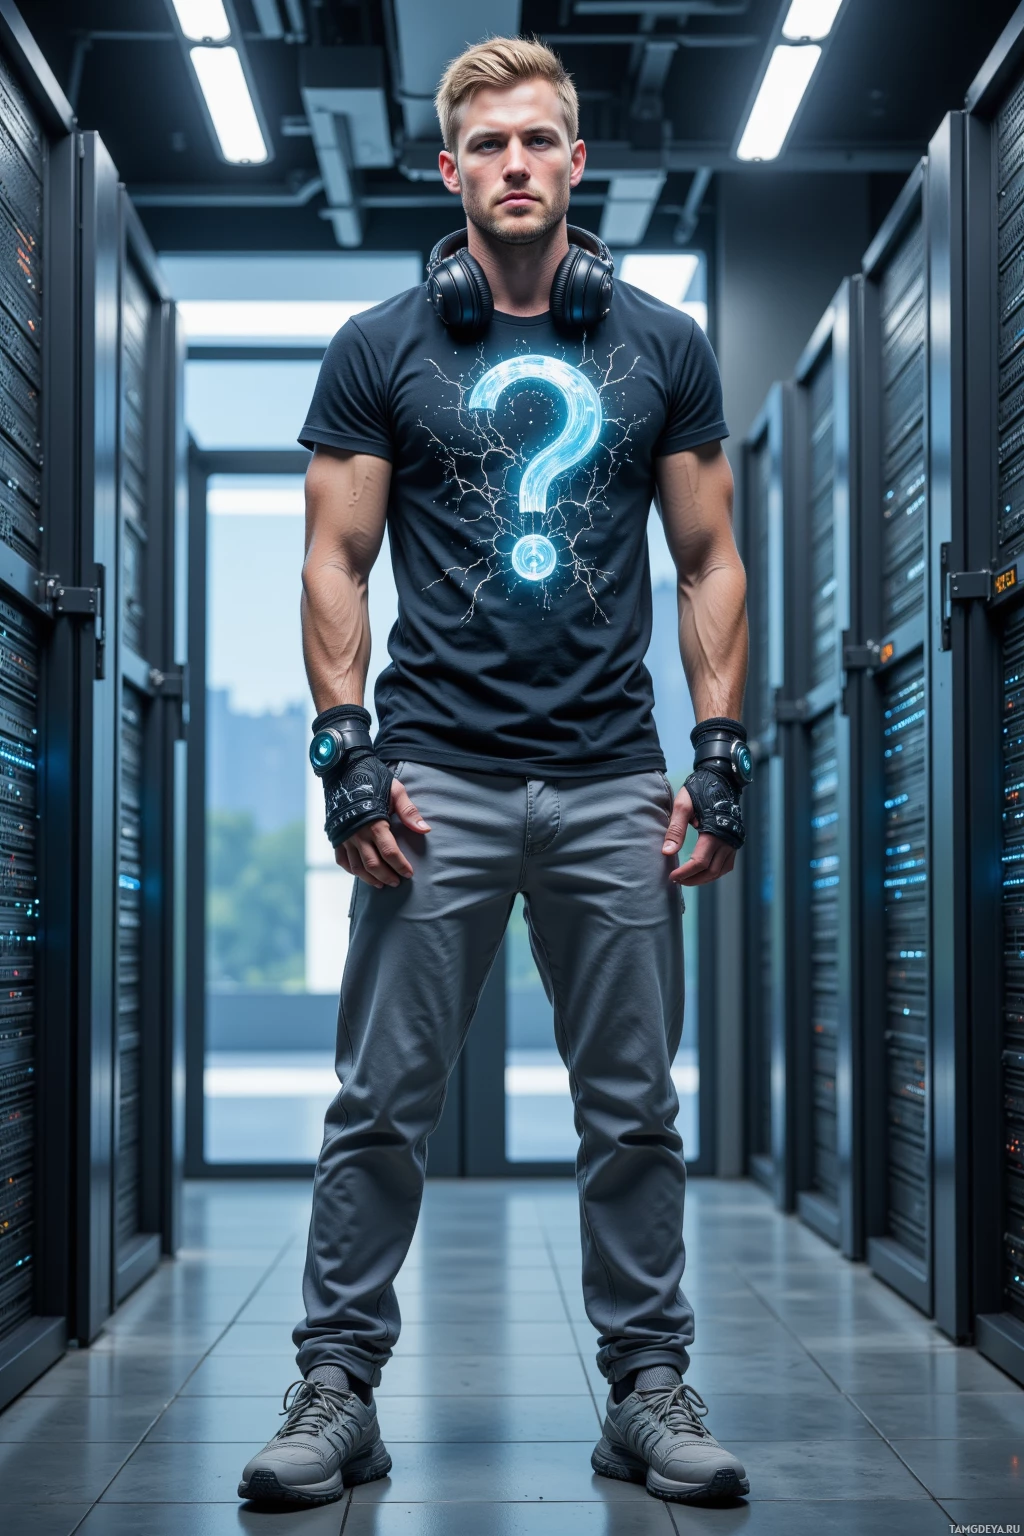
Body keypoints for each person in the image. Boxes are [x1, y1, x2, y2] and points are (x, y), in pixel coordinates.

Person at [238, 35, 751, 1511]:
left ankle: (646, 1388)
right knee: (378, 1108)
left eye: (540, 143)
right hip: (435, 781)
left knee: (635, 1110)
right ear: (448, 169)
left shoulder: (662, 344)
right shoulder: (381, 346)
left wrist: (716, 757)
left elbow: (711, 558)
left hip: (608, 778)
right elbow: (333, 562)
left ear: (577, 165)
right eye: (488, 147)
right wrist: (346, 761)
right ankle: (337, 1389)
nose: (515, 166)